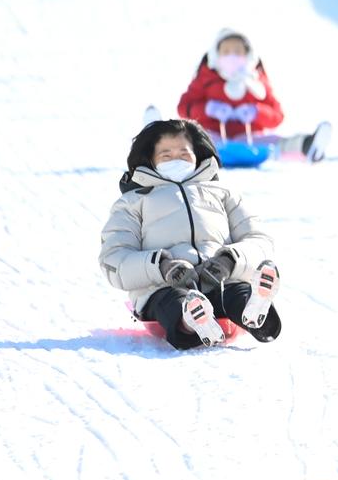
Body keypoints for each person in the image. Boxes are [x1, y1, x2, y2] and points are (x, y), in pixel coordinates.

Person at [99, 119, 282, 351]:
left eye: (184, 154)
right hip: (162, 286)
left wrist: (229, 261)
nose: (176, 160)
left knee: (237, 291)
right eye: (166, 155)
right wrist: (162, 267)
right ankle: (191, 319)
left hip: (221, 279)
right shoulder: (134, 202)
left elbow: (259, 239)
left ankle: (255, 312)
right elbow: (113, 259)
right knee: (172, 300)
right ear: (150, 160)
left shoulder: (223, 194)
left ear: (198, 154)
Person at [176, 29, 331, 161]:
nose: (232, 56)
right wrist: (208, 109)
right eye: (226, 51)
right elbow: (183, 108)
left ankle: (308, 146)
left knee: (274, 143)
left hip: (251, 140)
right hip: (213, 137)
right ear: (216, 54)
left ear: (248, 54)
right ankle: (156, 146)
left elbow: (277, 116)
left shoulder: (256, 79)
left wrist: (256, 112)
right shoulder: (206, 77)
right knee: (191, 140)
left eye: (237, 51)